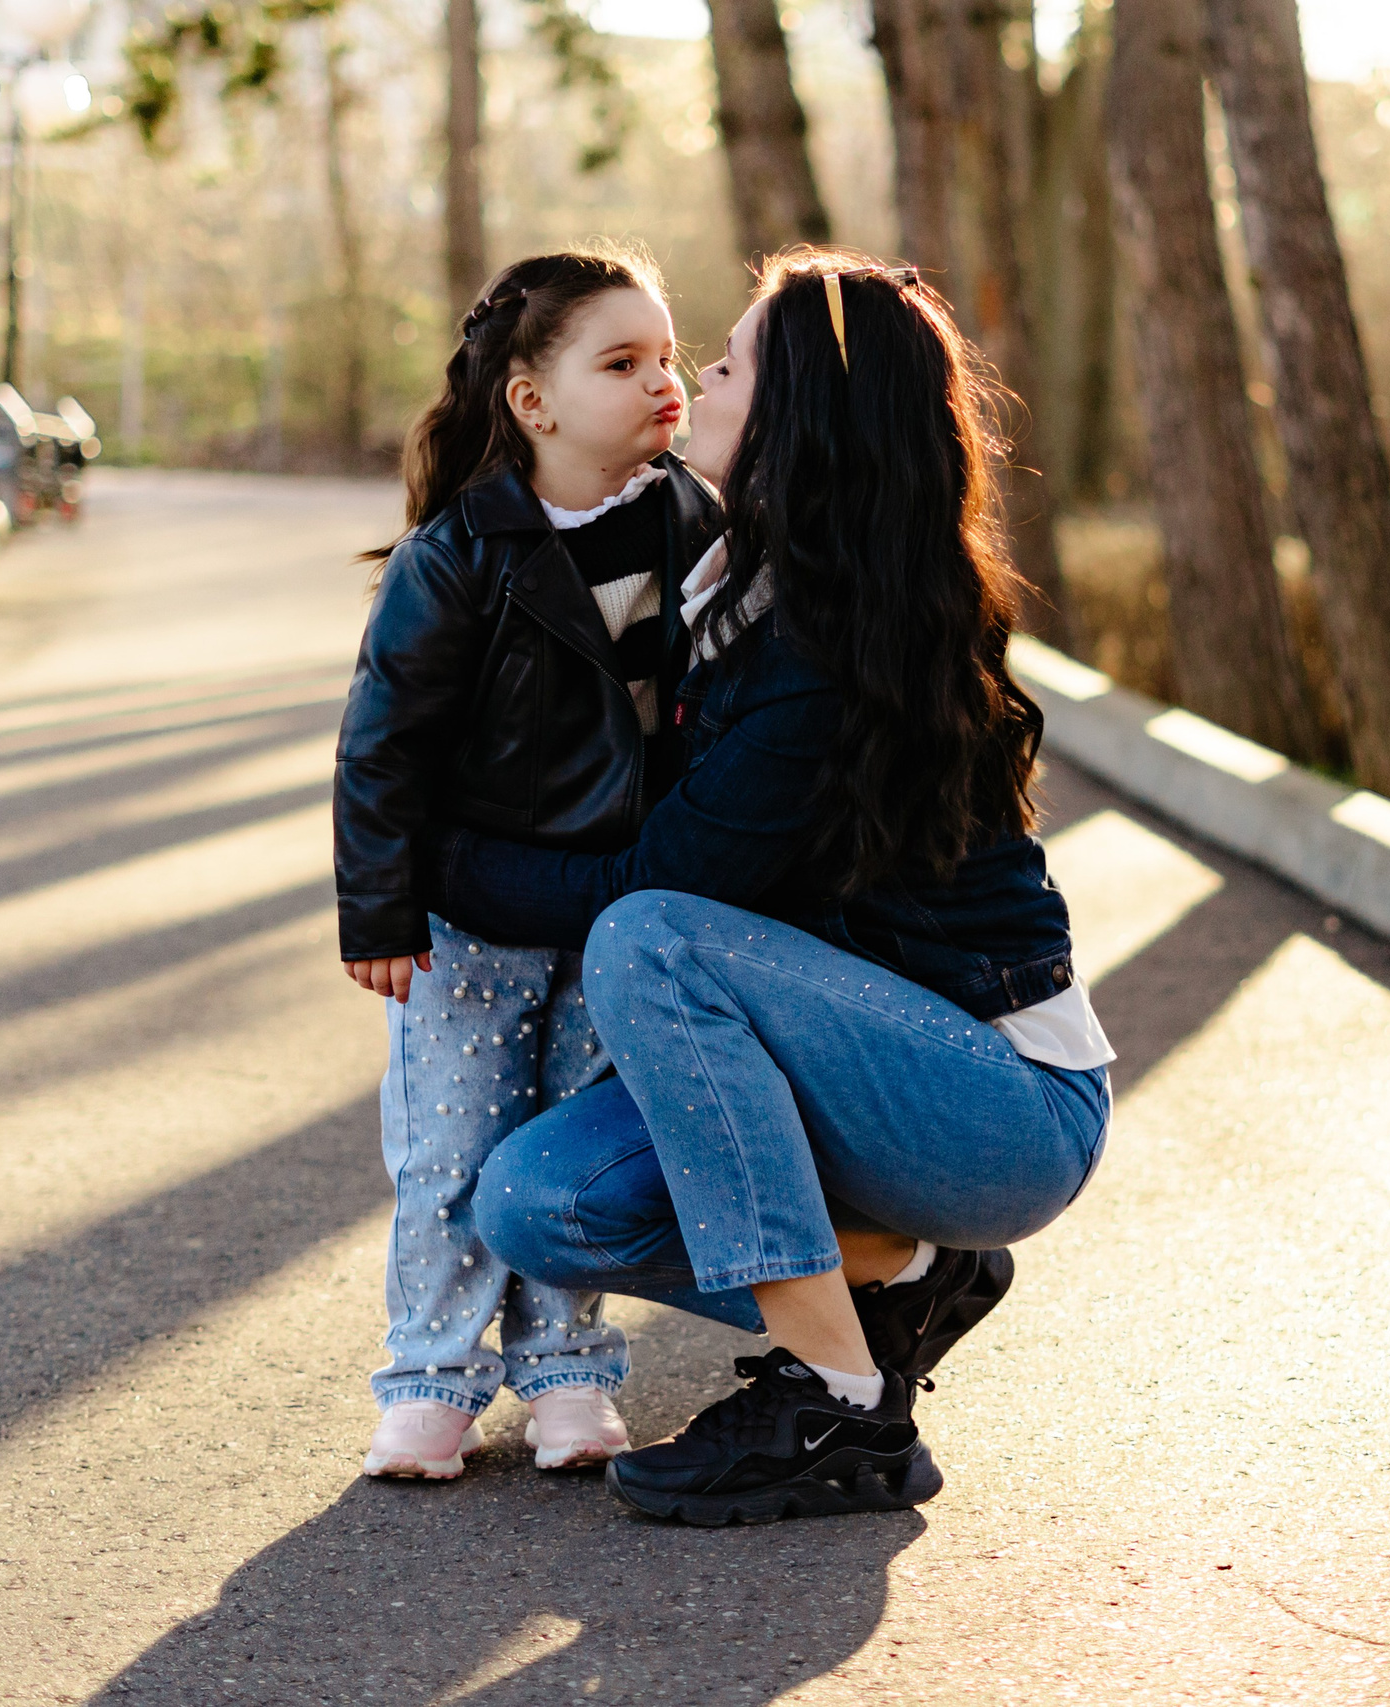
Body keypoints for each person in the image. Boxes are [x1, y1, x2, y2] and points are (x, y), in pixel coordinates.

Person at [419, 250, 1116, 1525]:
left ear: (794, 413)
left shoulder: (825, 647)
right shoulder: (746, 585)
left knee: (649, 937)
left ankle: (838, 1407)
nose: (692, 385)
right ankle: (905, 1269)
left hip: (999, 1107)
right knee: (539, 1203)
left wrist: (434, 862)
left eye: (726, 366)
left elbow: (653, 888)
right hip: (859, 1080)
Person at [334, 245, 724, 1479]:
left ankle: (565, 1372)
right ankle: (430, 1379)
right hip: (469, 917)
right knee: (452, 1151)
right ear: (532, 401)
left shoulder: (696, 522)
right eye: (622, 363)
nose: (663, 382)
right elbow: (381, 746)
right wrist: (380, 910)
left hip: (617, 913)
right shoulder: (460, 554)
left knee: (569, 1146)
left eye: (669, 357)